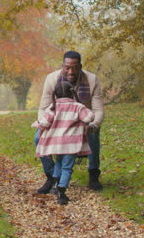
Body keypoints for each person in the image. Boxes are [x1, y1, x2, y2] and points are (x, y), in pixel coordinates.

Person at [35, 51, 105, 194]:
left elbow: (98, 109)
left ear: (80, 66)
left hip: (82, 119)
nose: (71, 71)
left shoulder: (92, 80)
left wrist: (92, 125)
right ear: (62, 65)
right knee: (37, 138)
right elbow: (43, 107)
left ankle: (93, 173)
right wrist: (44, 126)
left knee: (93, 133)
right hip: (56, 120)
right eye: (67, 67)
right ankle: (51, 177)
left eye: (74, 67)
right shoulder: (52, 79)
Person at [32, 81, 94, 204]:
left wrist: (35, 124)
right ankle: (62, 191)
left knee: (59, 163)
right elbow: (89, 118)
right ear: (73, 93)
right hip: (71, 144)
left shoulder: (53, 107)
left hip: (57, 144)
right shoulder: (78, 107)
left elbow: (44, 122)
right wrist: (84, 109)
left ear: (56, 94)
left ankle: (55, 183)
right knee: (67, 167)